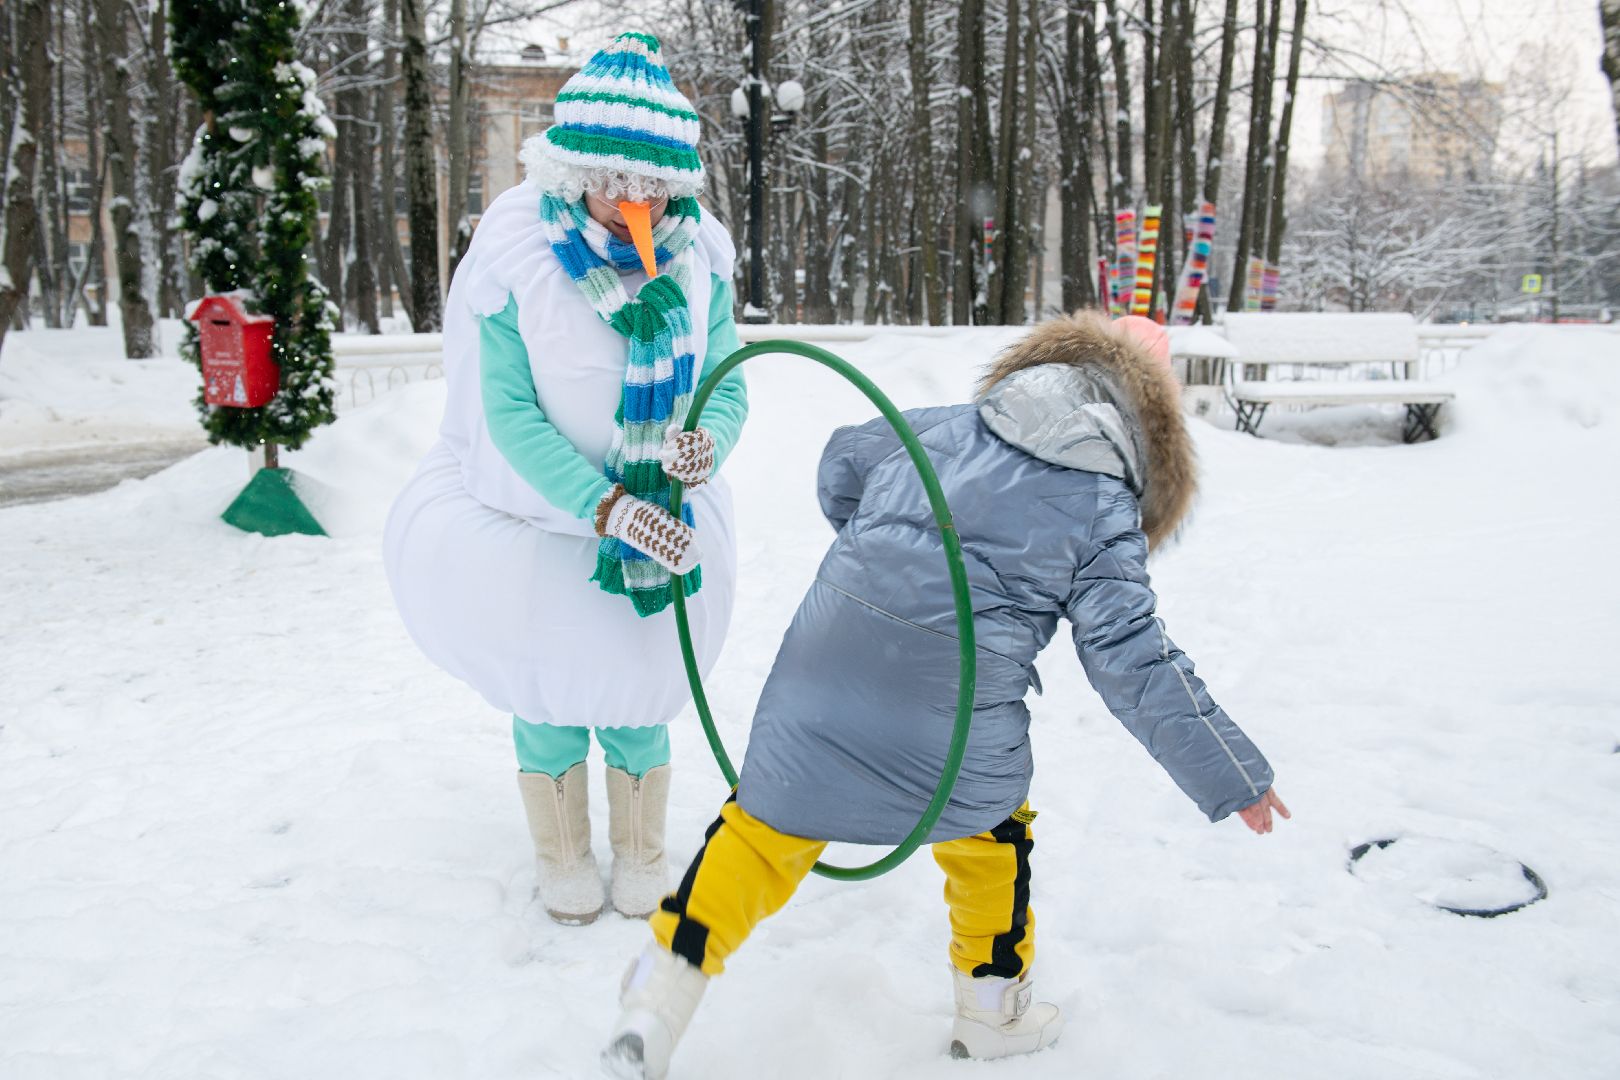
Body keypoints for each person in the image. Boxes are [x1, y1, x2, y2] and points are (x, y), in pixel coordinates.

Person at [600, 311, 1289, 1079]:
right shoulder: (1103, 504)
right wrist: (1234, 771)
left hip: (823, 672)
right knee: (991, 833)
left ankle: (656, 998)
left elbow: (840, 465)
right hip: (953, 717)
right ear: (1147, 424)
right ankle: (993, 1011)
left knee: (760, 832)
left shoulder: (934, 427)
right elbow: (1131, 658)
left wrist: (888, 556)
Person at [382, 31, 747, 926]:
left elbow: (725, 379)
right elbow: (507, 415)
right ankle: (563, 858)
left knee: (635, 697)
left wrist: (707, 442)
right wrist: (603, 503)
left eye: (654, 184)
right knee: (548, 702)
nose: (635, 201)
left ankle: (640, 855)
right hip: (544, 533)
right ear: (573, 170)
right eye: (615, 180)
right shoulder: (518, 262)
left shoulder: (699, 264)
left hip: (659, 529)